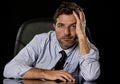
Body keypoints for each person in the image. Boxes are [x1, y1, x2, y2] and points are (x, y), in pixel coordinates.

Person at [3, 1, 100, 83]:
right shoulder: (40, 41)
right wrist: (46, 73)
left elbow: (91, 76)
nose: (66, 32)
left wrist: (82, 36)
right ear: (54, 26)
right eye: (61, 25)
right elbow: (9, 69)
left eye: (73, 26)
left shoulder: (87, 47)